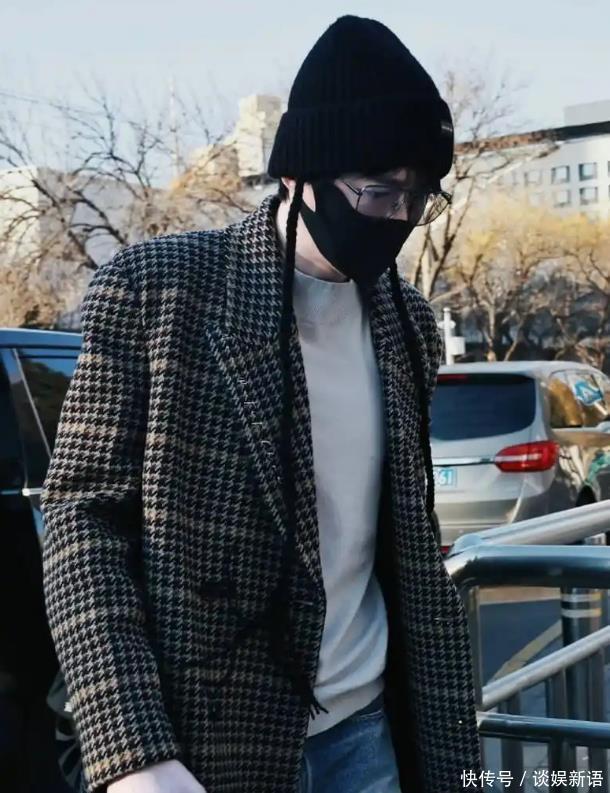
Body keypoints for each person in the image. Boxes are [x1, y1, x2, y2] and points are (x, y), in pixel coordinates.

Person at [40, 14, 482, 793]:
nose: (400, 218)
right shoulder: (158, 292)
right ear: (297, 176)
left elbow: (400, 535)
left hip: (368, 730)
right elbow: (83, 521)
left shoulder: (407, 324)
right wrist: (133, 750)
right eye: (379, 191)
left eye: (419, 197)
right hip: (201, 736)